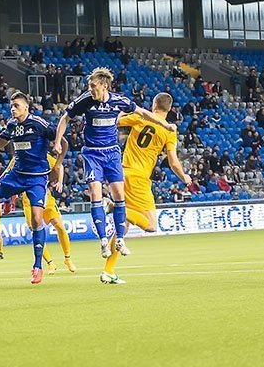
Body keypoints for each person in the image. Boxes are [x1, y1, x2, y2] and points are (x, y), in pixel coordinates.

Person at [53, 68, 174, 260]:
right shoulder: (85, 100)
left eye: (93, 85)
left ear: (104, 85)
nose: (90, 89)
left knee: (119, 196)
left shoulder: (118, 100)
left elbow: (143, 112)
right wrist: (58, 141)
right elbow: (65, 118)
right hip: (92, 154)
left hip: (111, 154)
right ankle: (103, 240)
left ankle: (120, 239)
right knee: (95, 193)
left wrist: (165, 125)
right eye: (89, 85)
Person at [101, 93, 192, 285]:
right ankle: (115, 207)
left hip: (122, 172)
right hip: (139, 178)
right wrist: (185, 177)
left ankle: (108, 271)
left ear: (153, 105)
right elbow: (173, 162)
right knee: (150, 225)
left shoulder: (140, 117)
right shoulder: (168, 130)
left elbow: (114, 121)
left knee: (123, 228)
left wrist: (122, 111)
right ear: (169, 108)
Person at [0, 92, 66, 285]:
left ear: (26, 107)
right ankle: (8, 198)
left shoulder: (39, 124)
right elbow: (3, 139)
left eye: (16, 106)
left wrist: (57, 165)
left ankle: (38, 266)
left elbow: (64, 142)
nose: (13, 109)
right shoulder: (12, 125)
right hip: (16, 175)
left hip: (36, 178)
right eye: (11, 106)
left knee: (36, 219)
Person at [12, 153, 77, 275]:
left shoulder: (42, 154)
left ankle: (67, 258)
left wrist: (60, 182)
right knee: (36, 230)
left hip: (46, 198)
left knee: (60, 226)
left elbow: (59, 166)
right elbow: (9, 176)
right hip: (28, 201)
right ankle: (50, 263)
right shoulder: (17, 157)